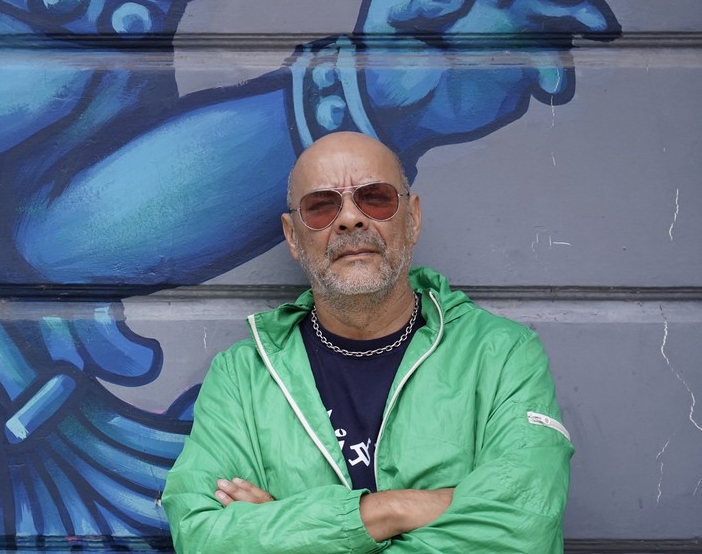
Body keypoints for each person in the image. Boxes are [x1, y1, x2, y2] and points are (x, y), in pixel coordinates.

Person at [162, 131, 574, 552]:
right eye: (321, 207)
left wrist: (293, 530)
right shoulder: (243, 377)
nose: (349, 219)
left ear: (412, 218)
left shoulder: (501, 355)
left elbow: (522, 527)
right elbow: (202, 535)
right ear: (292, 236)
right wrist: (390, 510)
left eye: (375, 198)